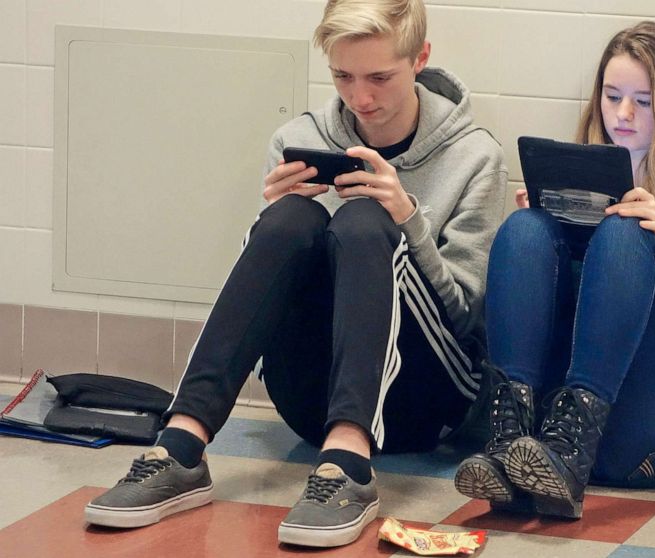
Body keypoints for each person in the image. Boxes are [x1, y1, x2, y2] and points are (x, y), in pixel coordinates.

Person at [84, 0, 506, 548]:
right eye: (342, 76)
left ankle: (350, 466)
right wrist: (272, 225)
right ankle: (181, 445)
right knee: (289, 218)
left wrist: (407, 220)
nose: (361, 98)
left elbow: (468, 318)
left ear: (420, 58)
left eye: (380, 76)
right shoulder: (297, 139)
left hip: (425, 404)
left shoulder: (475, 157)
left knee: (362, 219)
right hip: (309, 403)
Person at [454, 21, 655, 519]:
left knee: (627, 230)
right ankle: (507, 439)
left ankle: (570, 449)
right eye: (612, 95)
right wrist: (556, 232)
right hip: (542, 445)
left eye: (643, 101)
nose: (622, 113)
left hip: (654, 427)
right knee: (525, 227)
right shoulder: (573, 182)